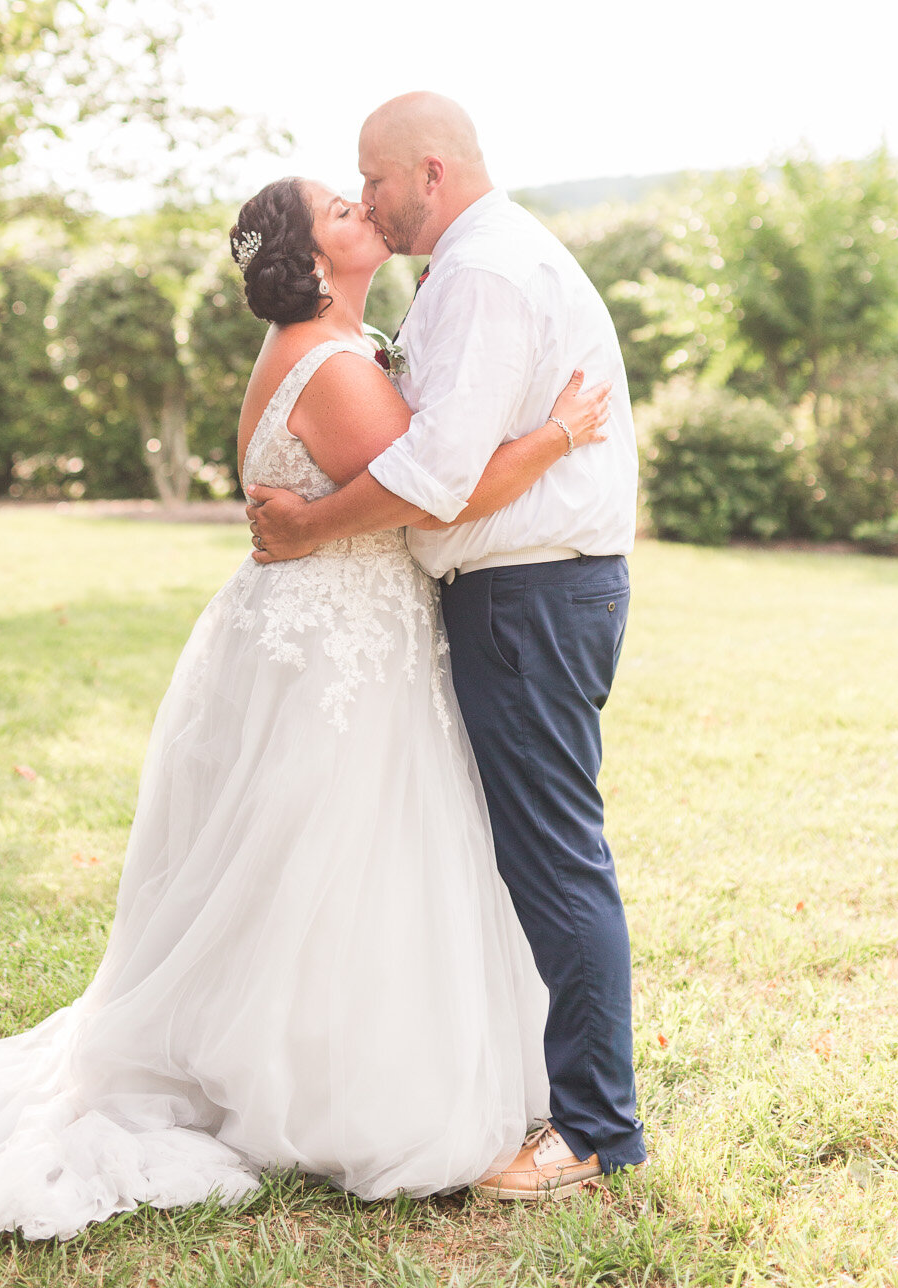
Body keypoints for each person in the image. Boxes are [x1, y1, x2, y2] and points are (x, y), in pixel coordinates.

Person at [0, 174, 611, 1267]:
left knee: (333, 852)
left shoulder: (338, 341)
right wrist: (558, 434)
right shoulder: (330, 361)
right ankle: (318, 1083)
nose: (361, 209)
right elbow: (435, 486)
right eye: (341, 207)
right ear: (313, 252)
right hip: (336, 639)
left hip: (340, 629)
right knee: (327, 854)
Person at [248, 93, 646, 1198]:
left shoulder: (479, 273)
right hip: (530, 593)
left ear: (427, 171)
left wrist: (306, 526)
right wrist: (553, 436)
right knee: (533, 850)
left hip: (529, 596)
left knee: (555, 855)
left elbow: (435, 479)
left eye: (371, 180)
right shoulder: (477, 264)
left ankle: (595, 1128)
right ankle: (562, 1095)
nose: (366, 200)